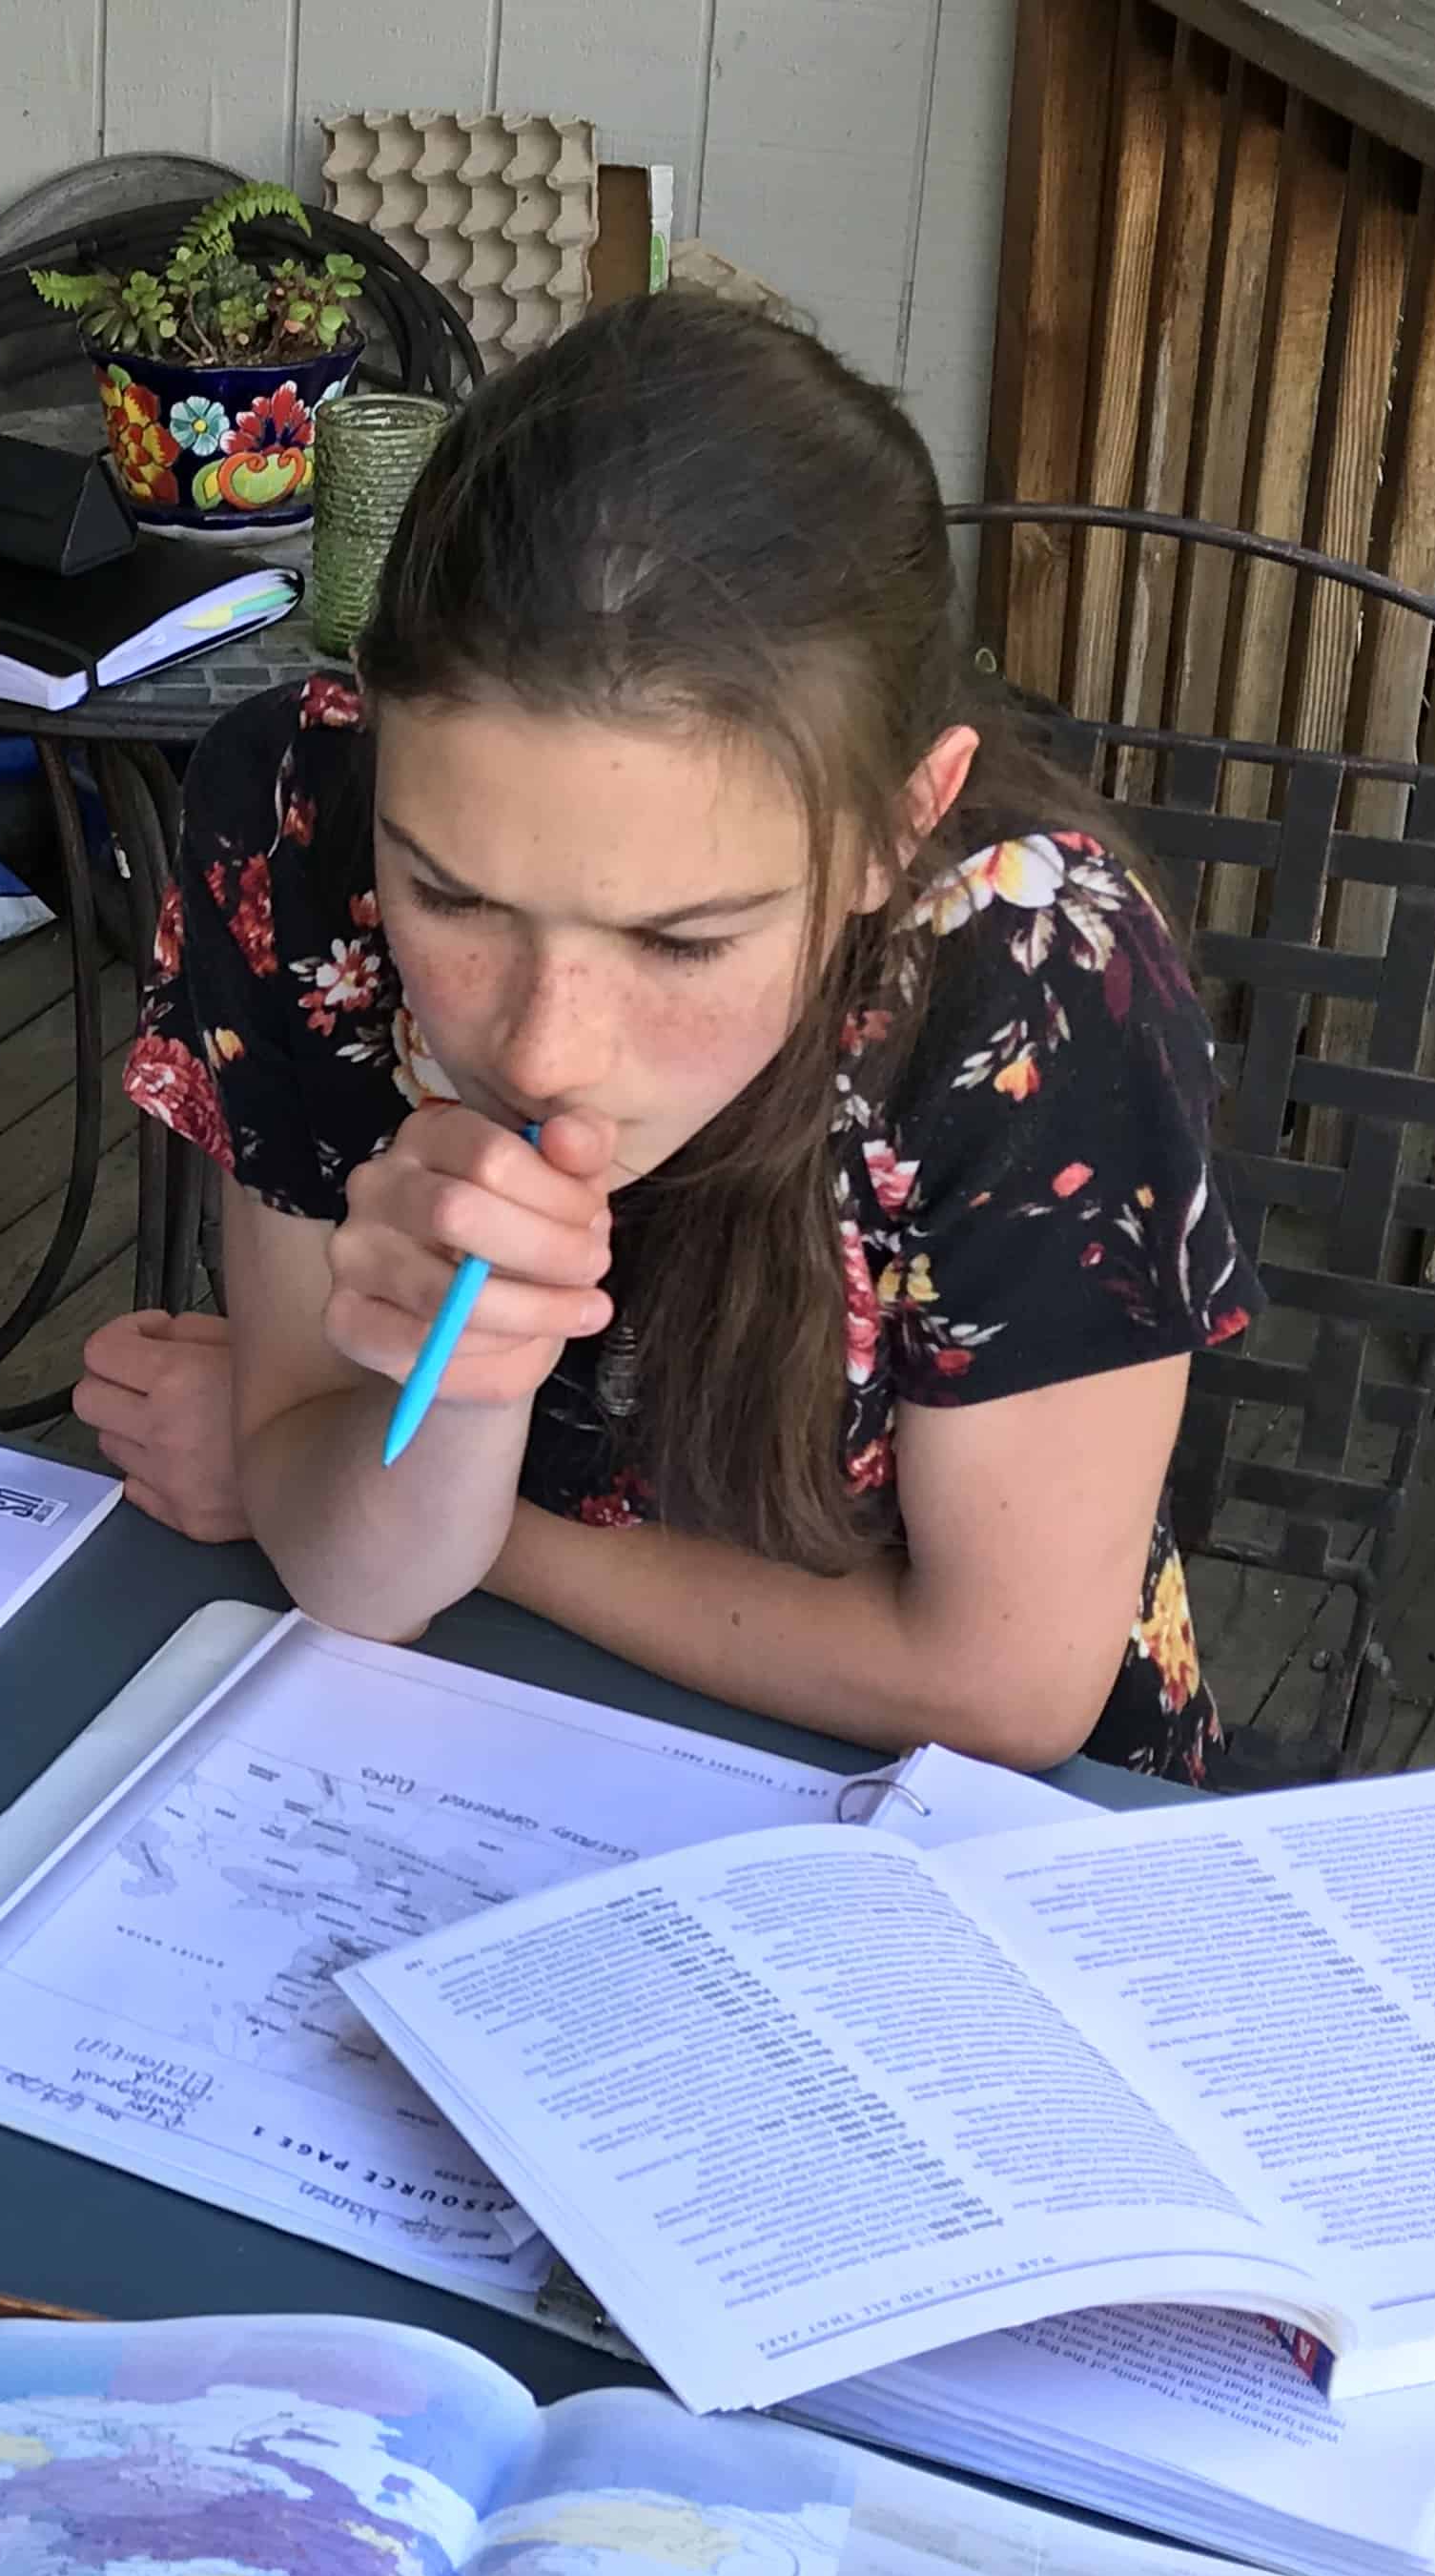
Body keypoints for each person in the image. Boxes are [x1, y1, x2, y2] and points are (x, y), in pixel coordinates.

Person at [78, 294, 1252, 1781]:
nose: (548, 1048)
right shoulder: (293, 825)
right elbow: (355, 1572)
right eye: (449, 892)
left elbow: (1006, 1687)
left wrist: (462, 1524)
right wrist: (454, 1406)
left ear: (901, 826)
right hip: (450, 1747)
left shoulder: (1033, 979)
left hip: (951, 1855)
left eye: (685, 941)